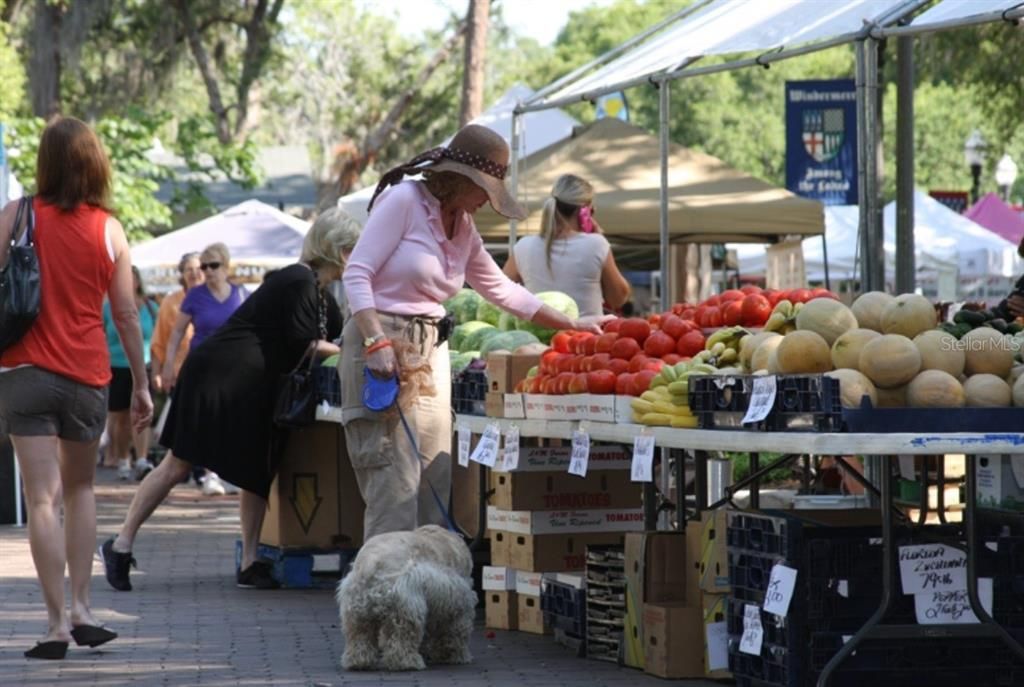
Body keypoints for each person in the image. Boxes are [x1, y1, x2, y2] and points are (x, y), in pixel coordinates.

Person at [341, 124, 605, 542]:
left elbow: (501, 289)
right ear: (459, 180)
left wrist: (572, 323)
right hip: (382, 339)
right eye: (486, 189)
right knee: (394, 480)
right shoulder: (405, 201)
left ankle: (427, 592)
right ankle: (384, 596)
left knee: (435, 473)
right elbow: (356, 273)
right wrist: (376, 340)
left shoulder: (463, 225)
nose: (488, 200)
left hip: (431, 347)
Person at [102, 208, 360, 591]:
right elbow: (307, 343)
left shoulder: (321, 294)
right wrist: (364, 346)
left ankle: (251, 560)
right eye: (353, 249)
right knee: (178, 463)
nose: (357, 256)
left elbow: (335, 335)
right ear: (338, 249)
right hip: (219, 376)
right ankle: (120, 544)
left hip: (252, 386)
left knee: (256, 469)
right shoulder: (298, 281)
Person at [0, 116, 153, 659]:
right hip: (89, 376)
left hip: (24, 373)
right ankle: (85, 609)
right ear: (95, 164)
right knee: (81, 490)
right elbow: (128, 313)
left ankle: (54, 624)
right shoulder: (109, 229)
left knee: (42, 498)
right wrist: (140, 380)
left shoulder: (16, 216)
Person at [162, 241, 246, 495]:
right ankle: (210, 475)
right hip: (202, 366)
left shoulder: (241, 294)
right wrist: (167, 366)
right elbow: (177, 333)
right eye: (204, 266)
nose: (208, 271)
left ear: (226, 266)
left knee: (231, 420)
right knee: (208, 419)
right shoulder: (195, 296)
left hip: (233, 368)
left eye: (214, 266)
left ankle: (230, 473)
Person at [503, 173, 630, 317]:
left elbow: (501, 293)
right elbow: (619, 298)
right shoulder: (596, 244)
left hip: (538, 335)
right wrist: (599, 237)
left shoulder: (523, 246)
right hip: (586, 336)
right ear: (585, 212)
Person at [101, 266, 159, 481]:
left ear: (137, 282)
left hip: (143, 366)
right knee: (120, 417)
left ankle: (142, 459)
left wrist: (158, 368)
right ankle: (123, 458)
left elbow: (157, 341)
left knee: (143, 414)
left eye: (130, 278)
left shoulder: (152, 308)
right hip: (115, 365)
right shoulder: (108, 308)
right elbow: (100, 335)